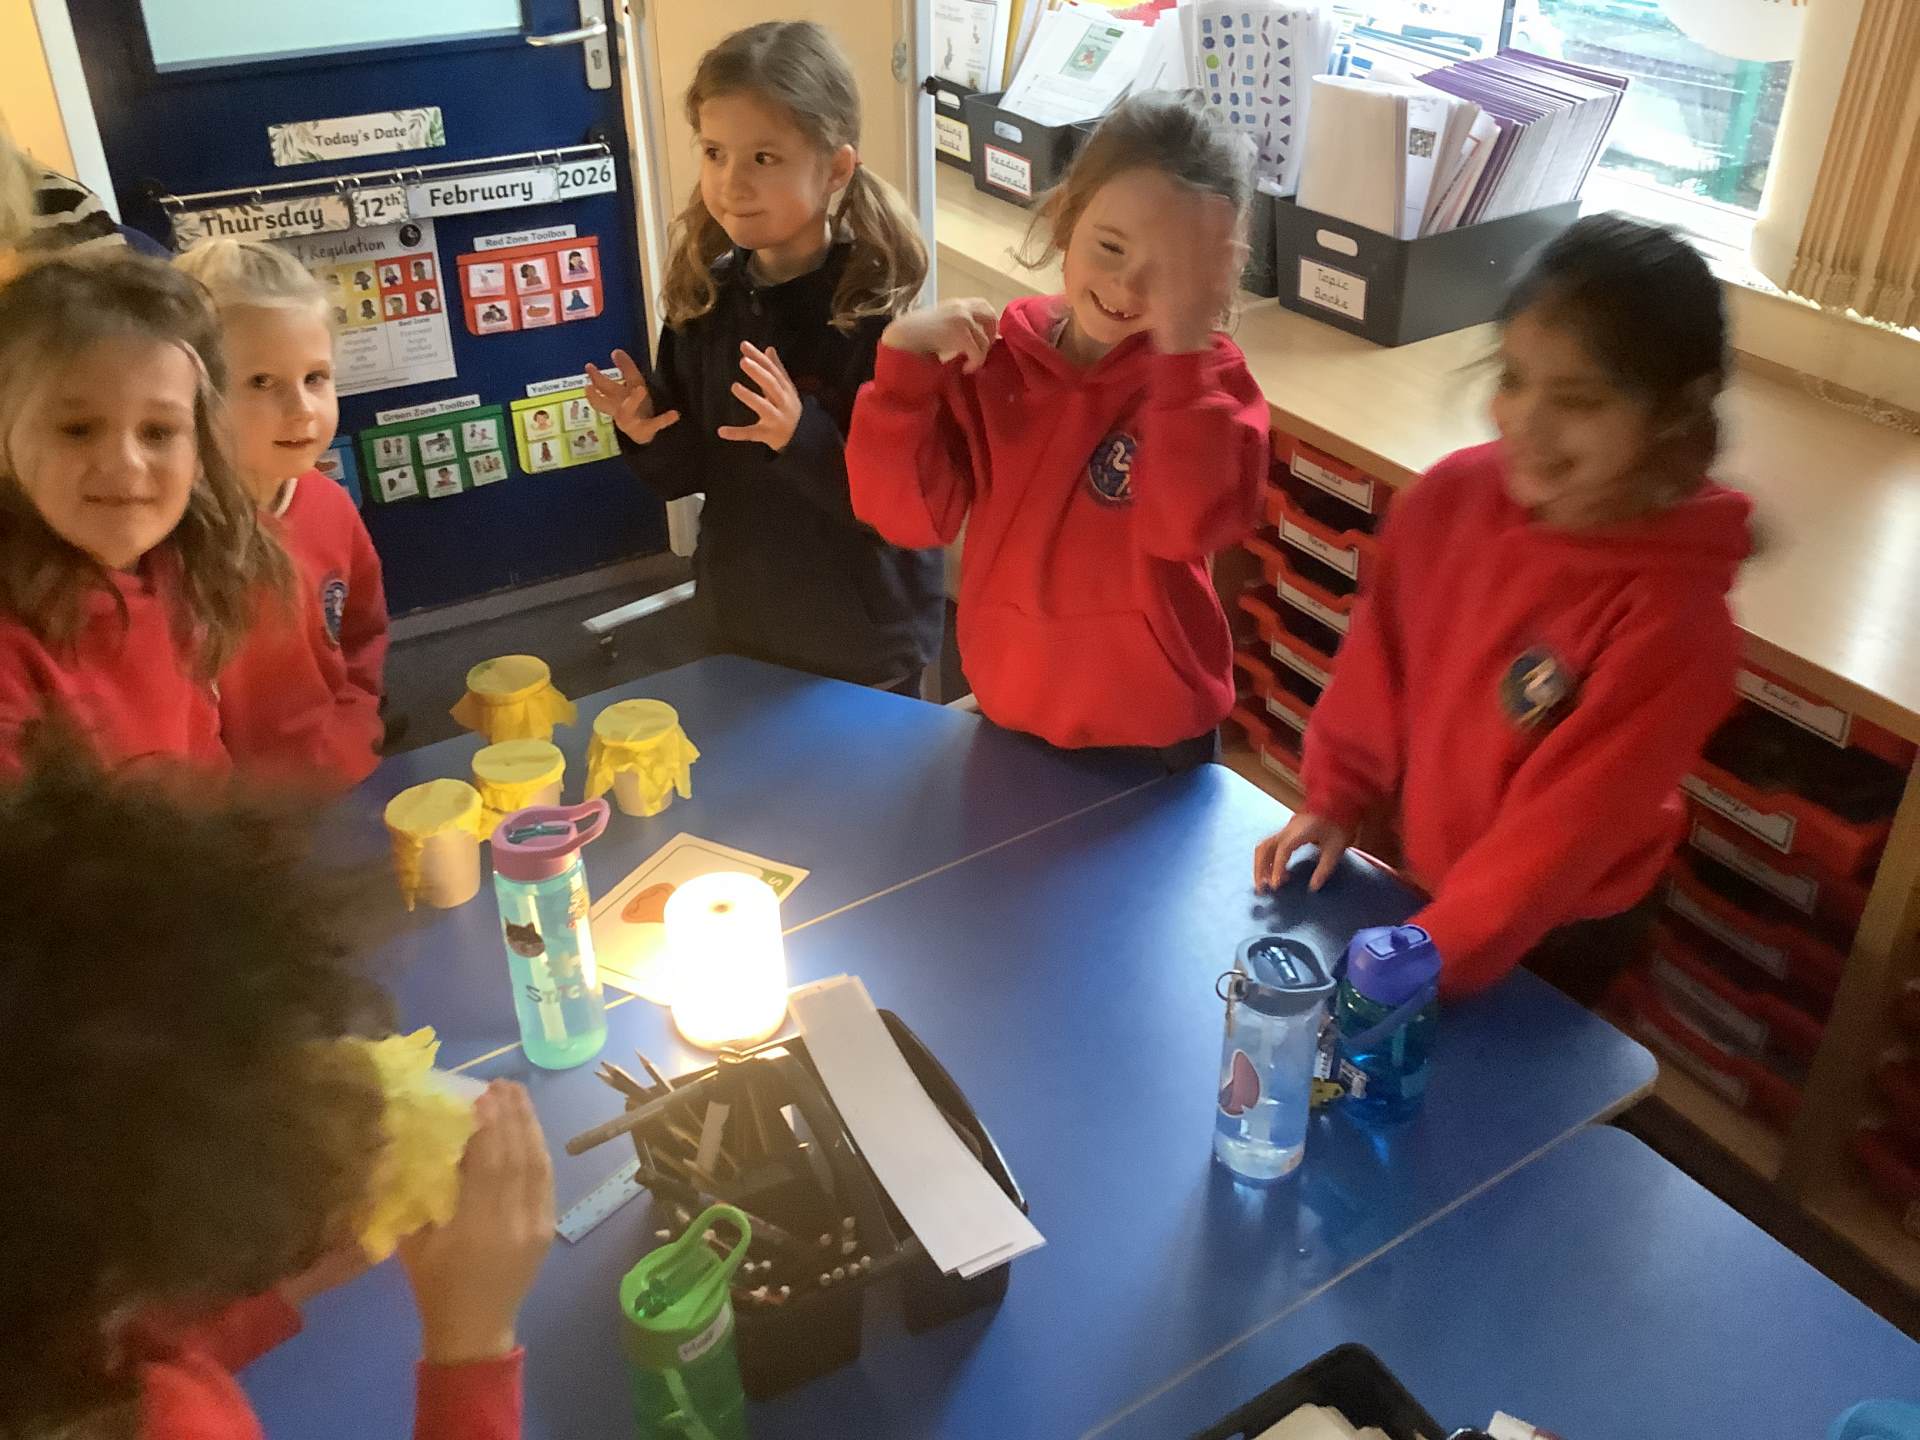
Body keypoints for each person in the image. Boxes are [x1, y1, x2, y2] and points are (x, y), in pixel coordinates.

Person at [1254, 215, 1754, 1003]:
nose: (1527, 423)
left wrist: (1429, 957)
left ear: (1675, 411)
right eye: (1514, 380)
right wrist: (1336, 799)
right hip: (1428, 878)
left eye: (1579, 400)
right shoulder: (1446, 500)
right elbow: (1378, 669)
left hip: (1558, 925)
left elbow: (1558, 841)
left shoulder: (1675, 624)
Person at [0, 748, 552, 1438]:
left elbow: (101, 1356)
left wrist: (276, 1293)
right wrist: (471, 1347)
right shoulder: (174, 1425)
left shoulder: (46, 1336)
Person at [846, 91, 1266, 762]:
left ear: (1217, 274)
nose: (1129, 287)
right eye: (1110, 246)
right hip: (1011, 710)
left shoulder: (1214, 384)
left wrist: (1184, 351)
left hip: (1156, 736)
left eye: (1170, 270)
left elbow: (1187, 526)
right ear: (1067, 220)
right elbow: (907, 519)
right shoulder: (999, 361)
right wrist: (902, 366)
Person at [586, 20, 943, 694]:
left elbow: (902, 508)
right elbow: (688, 472)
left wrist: (799, 435)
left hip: (861, 640)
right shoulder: (705, 298)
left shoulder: (877, 316)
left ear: (835, 168)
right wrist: (646, 428)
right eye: (714, 152)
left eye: (764, 158)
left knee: (870, 769)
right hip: (744, 624)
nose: (732, 183)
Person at [0, 253, 289, 774]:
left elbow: (204, 768)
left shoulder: (179, 575)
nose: (125, 462)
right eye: (78, 429)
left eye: (158, 432)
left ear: (200, 452)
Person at [176, 238, 388, 789]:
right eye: (261, 382)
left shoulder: (329, 504)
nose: (302, 410)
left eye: (315, 378)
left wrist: (351, 732)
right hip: (228, 817)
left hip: (337, 780)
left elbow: (361, 631)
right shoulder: (170, 539)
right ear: (192, 393)